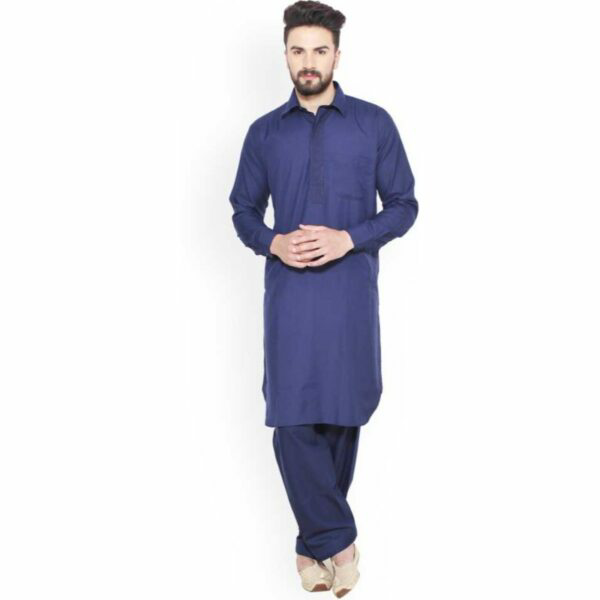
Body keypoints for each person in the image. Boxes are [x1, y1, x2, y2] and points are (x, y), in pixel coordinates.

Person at [228, 1, 418, 595]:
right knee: (291, 417)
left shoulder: (373, 124)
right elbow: (242, 209)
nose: (307, 62)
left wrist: (348, 238)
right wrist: (273, 243)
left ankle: (311, 547)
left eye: (319, 50)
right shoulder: (264, 132)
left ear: (337, 54)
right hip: (289, 297)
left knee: (341, 413)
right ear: (285, 55)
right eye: (297, 50)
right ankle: (340, 542)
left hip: (349, 296)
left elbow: (404, 205)